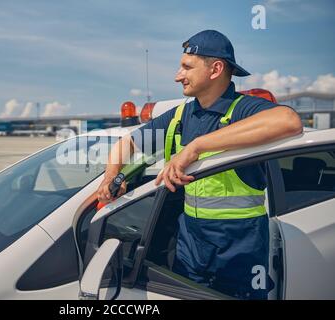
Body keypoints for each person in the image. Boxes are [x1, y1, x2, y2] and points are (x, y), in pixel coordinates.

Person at [97, 30, 302, 299]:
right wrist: (112, 175)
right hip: (191, 245)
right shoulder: (182, 114)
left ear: (216, 68)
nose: (177, 75)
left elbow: (289, 122)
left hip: (239, 250)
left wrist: (196, 147)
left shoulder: (241, 110)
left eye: (186, 67)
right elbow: (129, 143)